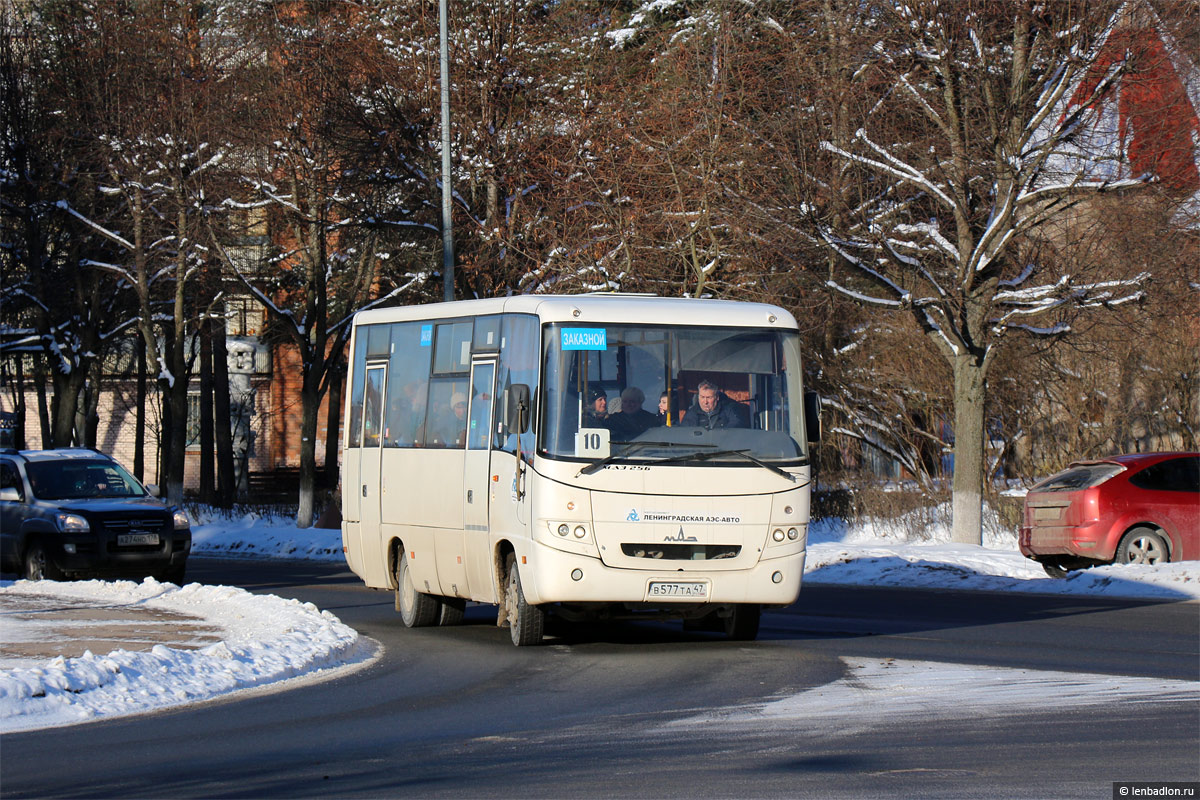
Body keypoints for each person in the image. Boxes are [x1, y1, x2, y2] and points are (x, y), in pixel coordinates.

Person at [682, 380, 750, 430]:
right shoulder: (691, 414)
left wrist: (722, 434)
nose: (705, 402)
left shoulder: (729, 410)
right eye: (702, 397)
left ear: (717, 397)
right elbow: (684, 434)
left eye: (709, 397)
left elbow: (738, 425)